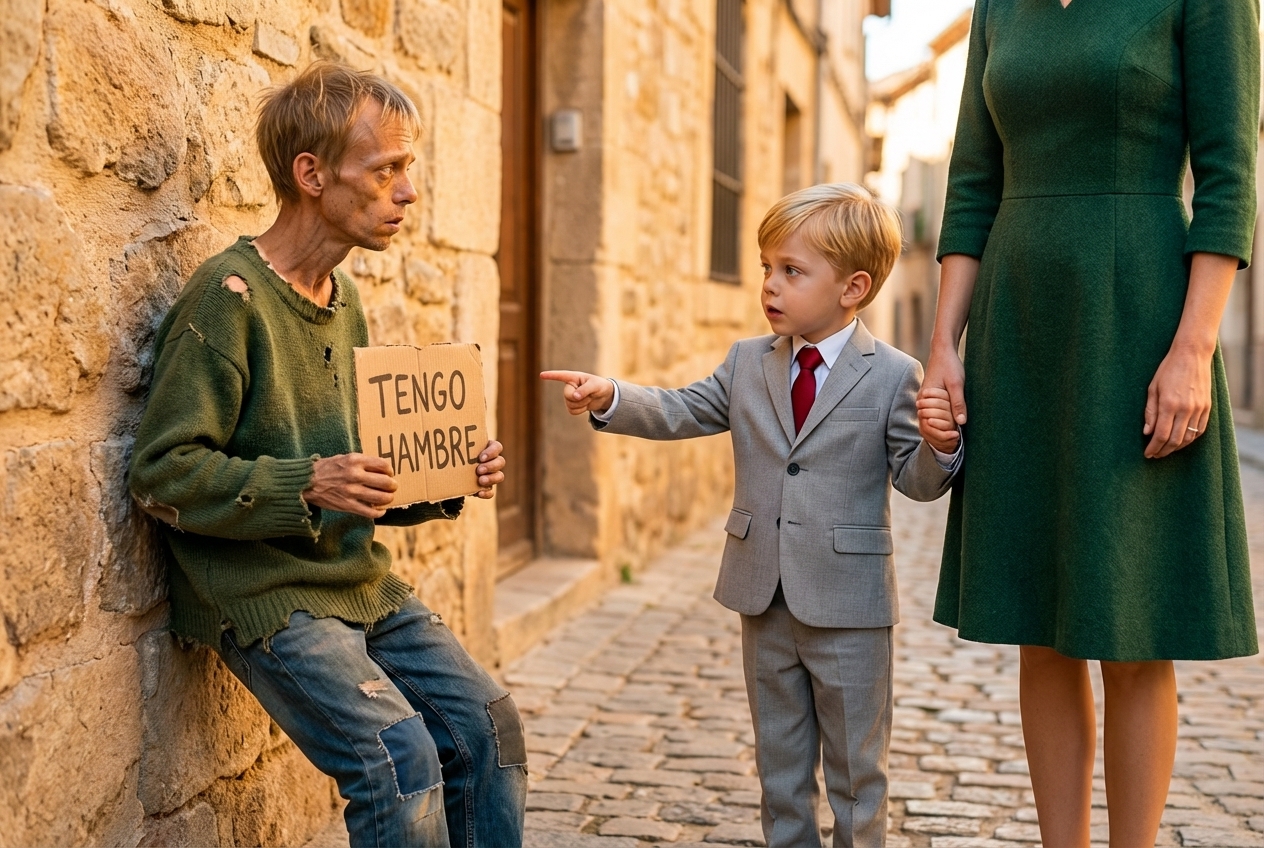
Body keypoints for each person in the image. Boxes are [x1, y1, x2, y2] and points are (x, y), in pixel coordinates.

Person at [128, 62, 526, 848]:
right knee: (398, 756)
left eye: (406, 169)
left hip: (356, 580)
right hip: (265, 589)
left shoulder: (347, 304)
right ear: (311, 175)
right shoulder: (227, 296)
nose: (408, 192)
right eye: (386, 170)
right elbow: (162, 473)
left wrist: (446, 475)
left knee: (490, 728)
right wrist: (305, 482)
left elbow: (357, 473)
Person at [919, 1, 1260, 845]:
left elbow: (1228, 176)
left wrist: (1192, 349)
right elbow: (971, 186)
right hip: (1023, 323)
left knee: (1134, 624)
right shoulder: (1000, 5)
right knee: (1042, 625)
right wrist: (943, 348)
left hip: (1143, 312)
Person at [543, 183, 962, 848]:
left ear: (853, 288)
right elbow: (683, 408)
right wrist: (611, 397)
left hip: (850, 606)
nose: (770, 285)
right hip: (761, 598)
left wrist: (942, 447)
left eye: (792, 271)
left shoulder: (892, 375)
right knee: (780, 770)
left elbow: (917, 481)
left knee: (858, 775)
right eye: (767, 267)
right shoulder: (746, 363)